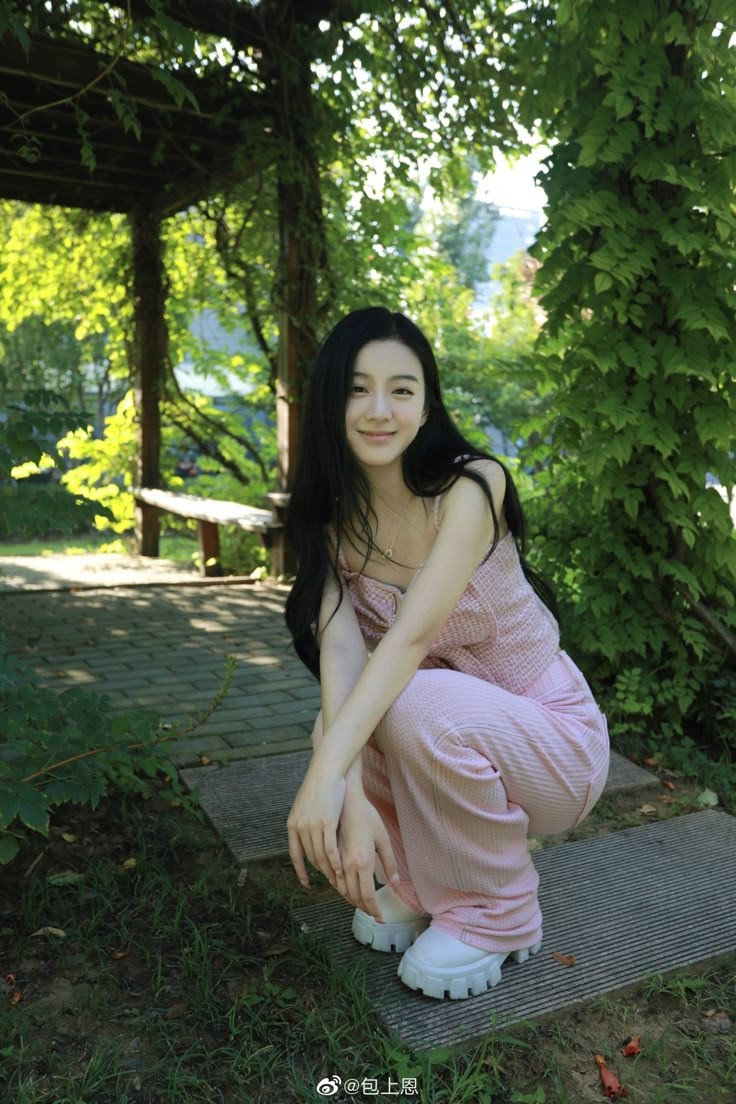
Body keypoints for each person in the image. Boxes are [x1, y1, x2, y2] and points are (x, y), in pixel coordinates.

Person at [284, 306, 609, 1001]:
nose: (379, 409)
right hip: (449, 730)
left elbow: (408, 641)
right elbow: (341, 658)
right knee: (341, 717)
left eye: (401, 389)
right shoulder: (332, 520)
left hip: (554, 742)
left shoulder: (472, 486)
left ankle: (501, 912)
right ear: (329, 400)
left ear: (427, 404)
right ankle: (420, 882)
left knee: (404, 697)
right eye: (357, 388)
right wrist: (342, 789)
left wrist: (324, 780)